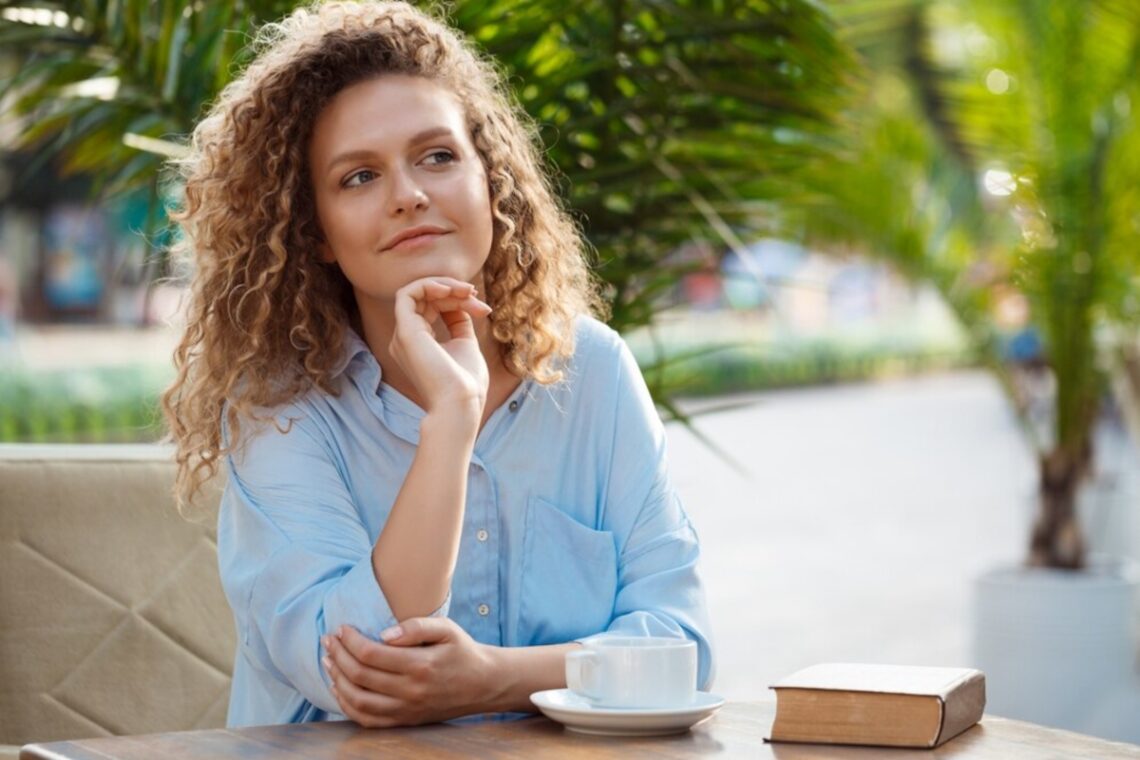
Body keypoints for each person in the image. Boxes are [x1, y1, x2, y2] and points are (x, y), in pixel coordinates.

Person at [162, 0, 714, 729]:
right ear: (316, 232)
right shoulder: (280, 410)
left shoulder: (596, 374)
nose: (410, 195)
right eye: (359, 177)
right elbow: (357, 668)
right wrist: (451, 418)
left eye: (438, 156)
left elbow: (683, 651)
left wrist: (494, 680)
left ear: (492, 180)